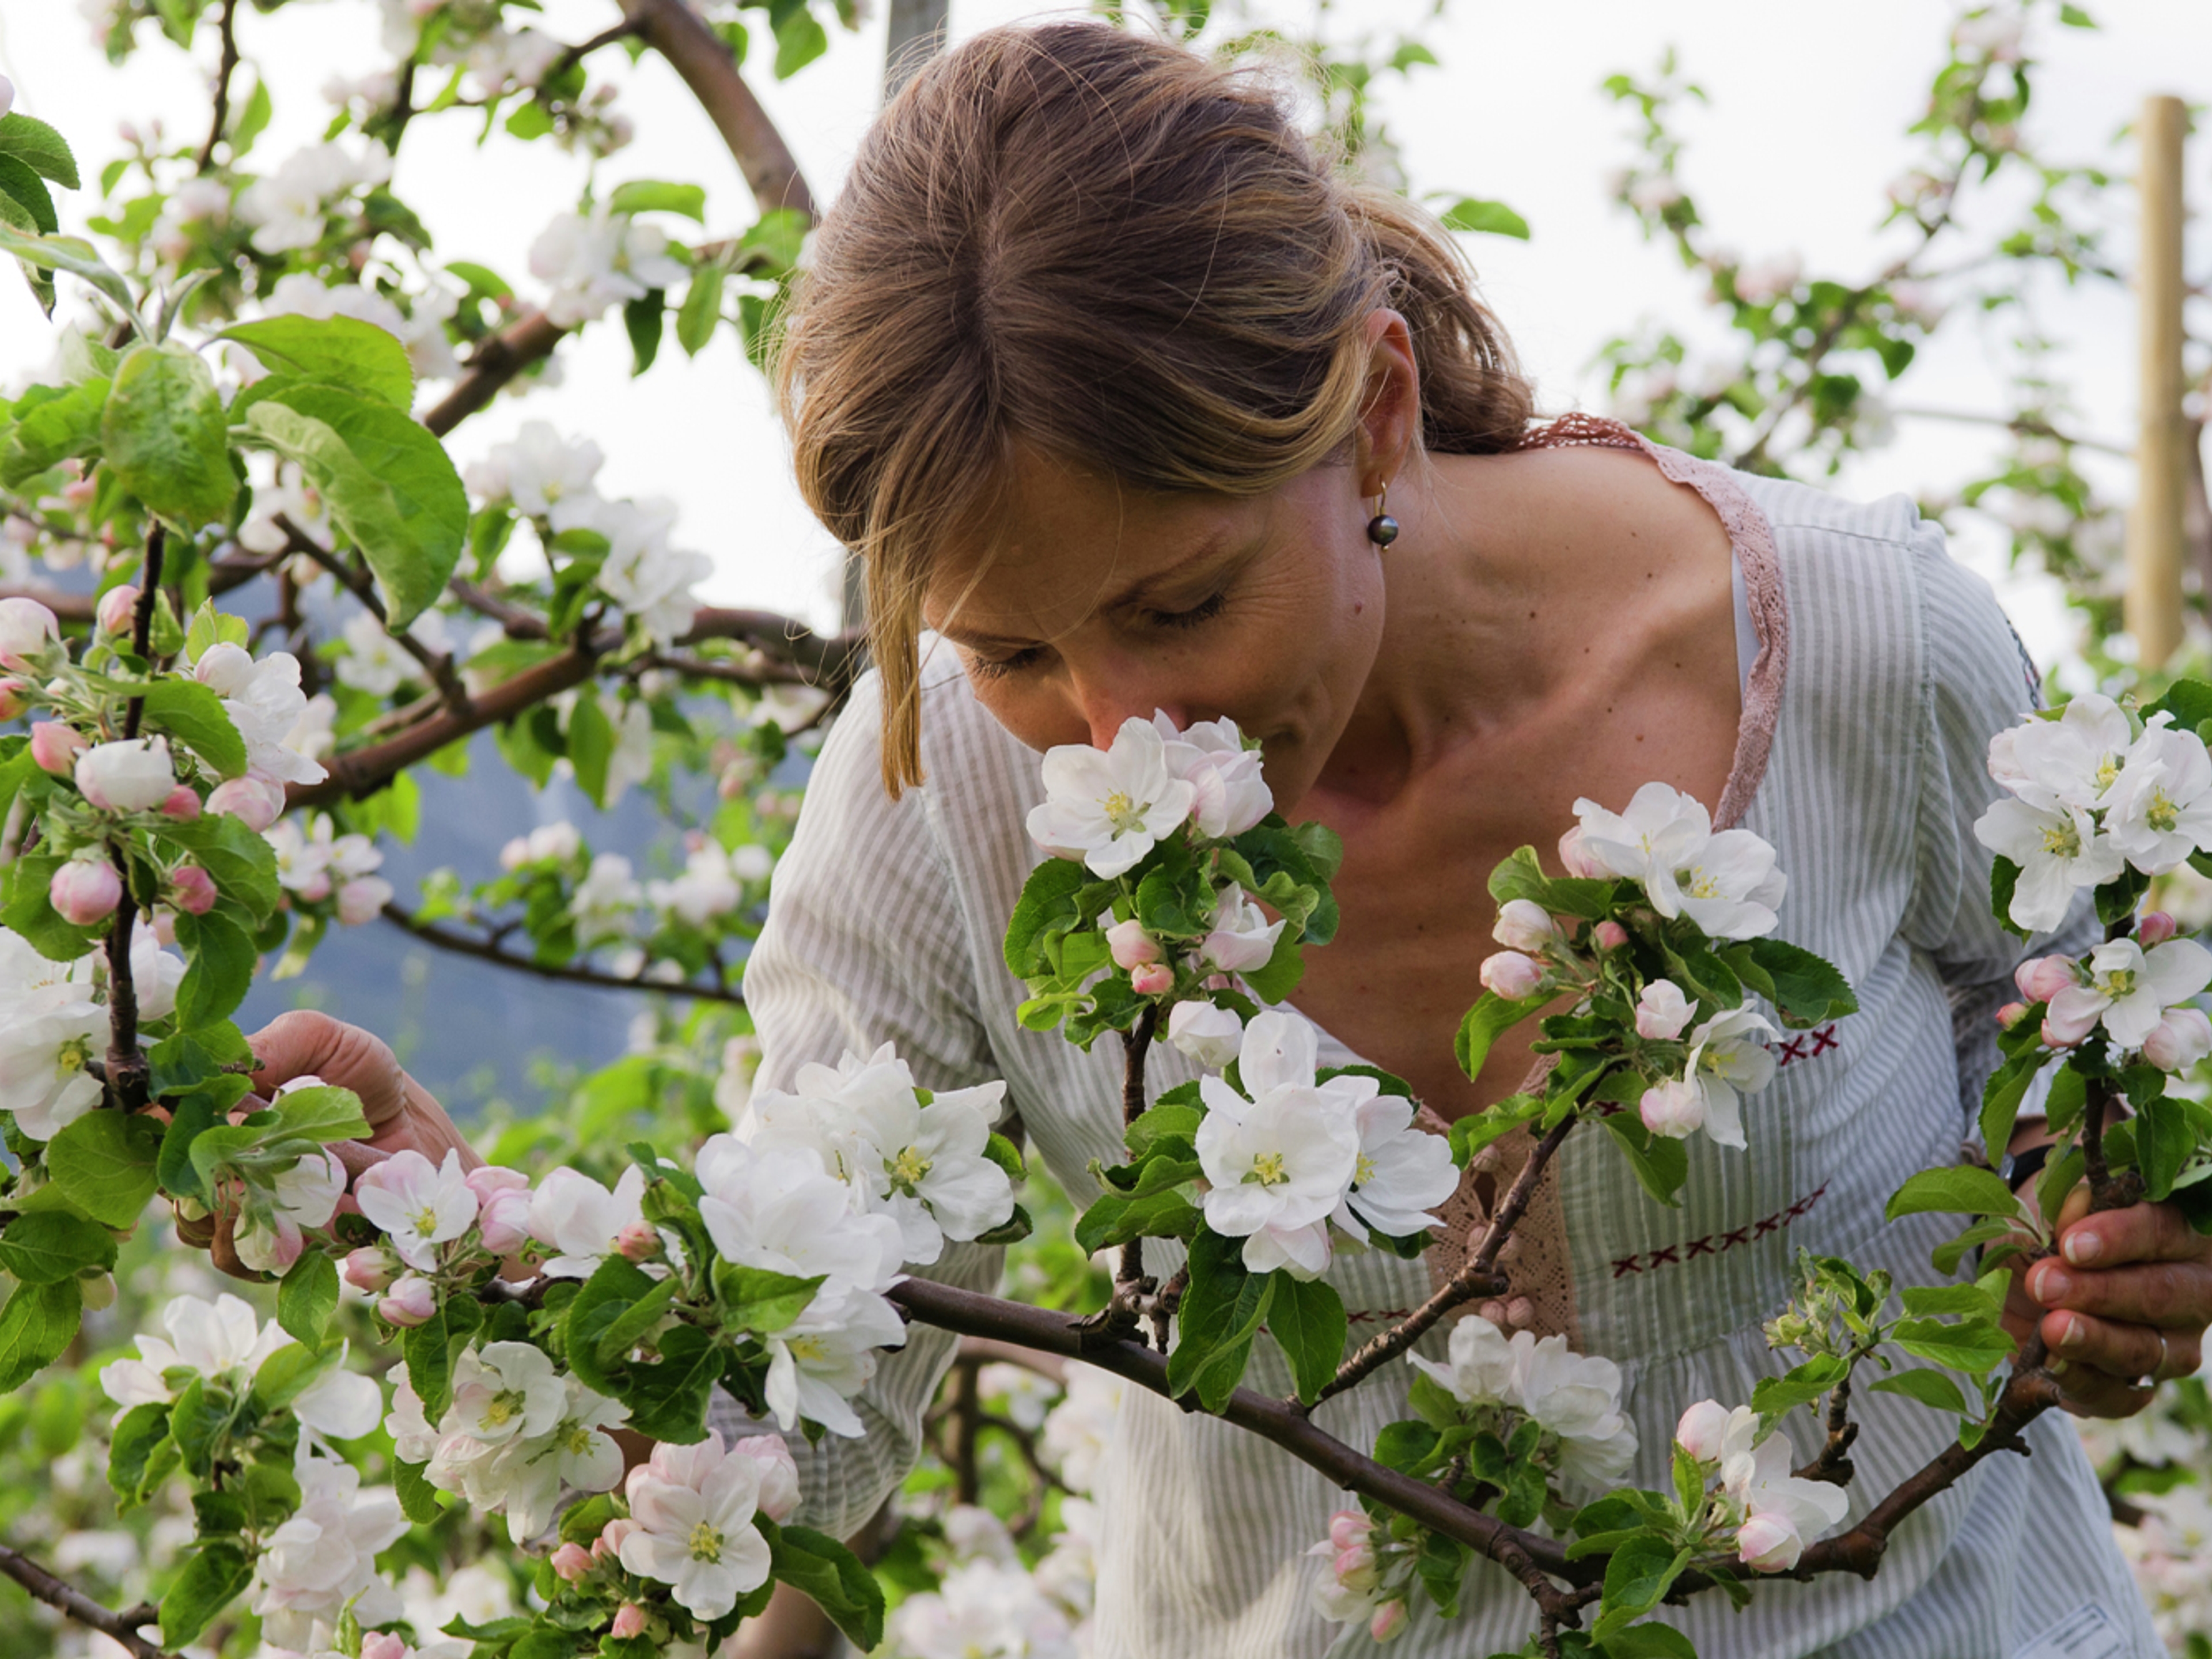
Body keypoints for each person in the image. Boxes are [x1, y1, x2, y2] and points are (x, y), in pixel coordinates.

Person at [249, 22, 2208, 1657]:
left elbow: (2059, 1059)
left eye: (1180, 606)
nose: (1127, 734)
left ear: (1371, 418)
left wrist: (2110, 1257)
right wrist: (492, 1273)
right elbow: (805, 1446)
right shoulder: (945, 803)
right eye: (1010, 648)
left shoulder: (1867, 642)